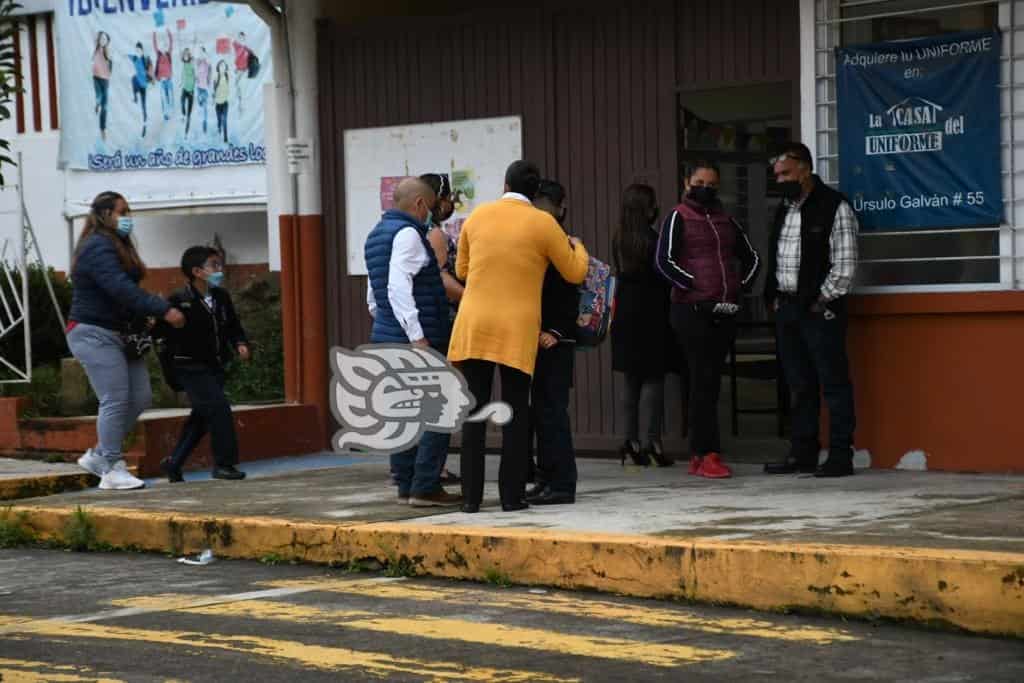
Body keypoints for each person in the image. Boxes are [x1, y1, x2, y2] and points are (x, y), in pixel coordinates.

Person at [449, 160, 590, 513]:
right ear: (534, 190)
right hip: (515, 328)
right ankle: (511, 498)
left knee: (474, 412)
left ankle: (470, 499)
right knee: (514, 412)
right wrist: (580, 247)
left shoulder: (478, 217)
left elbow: (461, 270)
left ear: (504, 184)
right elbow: (573, 273)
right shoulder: (542, 223)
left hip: (474, 323)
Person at [67, 192, 185, 490]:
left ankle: (97, 456)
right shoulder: (96, 246)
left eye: (128, 211)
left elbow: (122, 293)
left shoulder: (116, 244)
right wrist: (162, 309)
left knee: (141, 397)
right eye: (122, 211)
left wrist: (140, 316)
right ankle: (112, 466)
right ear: (105, 214)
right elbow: (119, 288)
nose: (127, 217)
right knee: (115, 399)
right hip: (93, 332)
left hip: (121, 333)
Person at [656, 161, 761, 479]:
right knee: (702, 380)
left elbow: (752, 257)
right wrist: (696, 287)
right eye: (700, 182)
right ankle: (706, 453)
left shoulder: (726, 220)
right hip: (692, 311)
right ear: (687, 181)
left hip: (724, 311)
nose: (706, 188)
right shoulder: (677, 217)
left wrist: (741, 289)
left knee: (710, 382)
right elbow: (664, 261)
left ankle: (700, 452)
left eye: (712, 184)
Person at [763, 142, 859, 478]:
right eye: (777, 175)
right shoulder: (784, 208)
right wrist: (775, 297)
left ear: (805, 168)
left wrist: (821, 301)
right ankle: (802, 453)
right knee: (799, 385)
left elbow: (845, 266)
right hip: (787, 308)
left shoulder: (834, 206)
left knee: (833, 384)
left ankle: (840, 456)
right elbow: (776, 256)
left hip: (820, 311)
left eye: (786, 173)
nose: (781, 180)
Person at [365, 177, 462, 507]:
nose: (435, 211)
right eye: (433, 205)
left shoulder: (377, 234)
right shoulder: (408, 234)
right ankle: (425, 485)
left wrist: (389, 326)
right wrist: (416, 336)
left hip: (387, 335)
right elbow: (397, 286)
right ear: (421, 204)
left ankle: (407, 484)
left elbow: (374, 297)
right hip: (415, 339)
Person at [156, 247, 249, 483]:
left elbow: (232, 325)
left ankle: (174, 463)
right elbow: (161, 334)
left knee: (201, 418)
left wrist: (239, 343)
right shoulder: (179, 301)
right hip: (189, 367)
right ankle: (224, 464)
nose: (220, 270)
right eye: (214, 265)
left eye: (220, 265)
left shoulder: (221, 297)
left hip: (215, 365)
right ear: (197, 271)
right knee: (219, 409)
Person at [611, 184, 676, 468]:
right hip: (652, 311)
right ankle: (652, 443)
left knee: (630, 378)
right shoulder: (655, 239)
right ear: (647, 209)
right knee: (653, 377)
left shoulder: (619, 238)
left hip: (625, 310)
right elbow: (665, 276)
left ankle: (629, 442)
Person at [525, 179, 580, 506]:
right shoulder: (538, 237)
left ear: (561, 209)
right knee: (541, 411)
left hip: (555, 339)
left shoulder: (563, 242)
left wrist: (556, 332)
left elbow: (569, 291)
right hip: (537, 335)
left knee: (553, 411)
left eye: (547, 209)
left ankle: (562, 482)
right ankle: (546, 478)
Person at [421, 172, 462, 487]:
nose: (452, 205)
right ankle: (434, 469)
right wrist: (470, 297)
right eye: (449, 198)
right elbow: (440, 278)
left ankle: (424, 466)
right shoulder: (433, 234)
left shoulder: (405, 230)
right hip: (441, 322)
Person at [128, 42, 150, 138]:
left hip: (144, 84)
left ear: (142, 50)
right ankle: (135, 97)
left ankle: (145, 121)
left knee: (143, 104)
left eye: (139, 50)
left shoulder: (145, 59)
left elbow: (150, 69)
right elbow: (126, 55)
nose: (137, 51)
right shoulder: (135, 58)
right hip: (138, 82)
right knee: (133, 78)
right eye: (136, 50)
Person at [92, 31, 112, 141]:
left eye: (105, 39)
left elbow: (111, 66)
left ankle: (102, 129)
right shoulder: (96, 49)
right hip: (96, 77)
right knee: (99, 96)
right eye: (101, 39)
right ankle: (97, 103)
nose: (102, 41)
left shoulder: (108, 52)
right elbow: (94, 37)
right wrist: (100, 33)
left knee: (105, 107)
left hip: (105, 80)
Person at [153, 29, 173, 122]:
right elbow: (155, 45)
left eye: (165, 45)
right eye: (162, 46)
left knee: (170, 97)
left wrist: (168, 32)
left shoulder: (169, 54)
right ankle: (165, 114)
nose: (164, 47)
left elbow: (171, 42)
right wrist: (154, 33)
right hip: (162, 80)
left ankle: (170, 112)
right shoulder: (159, 55)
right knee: (163, 98)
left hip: (169, 80)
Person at [195, 45, 212, 135]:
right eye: (199, 52)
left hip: (205, 87)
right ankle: (202, 120)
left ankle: (204, 122)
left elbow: (209, 65)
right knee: (200, 102)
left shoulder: (207, 62)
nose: (200, 53)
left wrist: (205, 55)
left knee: (204, 106)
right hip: (198, 87)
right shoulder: (198, 61)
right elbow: (196, 71)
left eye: (202, 52)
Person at [180, 47, 196, 136]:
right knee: (182, 101)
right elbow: (182, 74)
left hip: (191, 90)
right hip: (185, 88)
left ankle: (187, 130)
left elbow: (195, 75)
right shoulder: (183, 63)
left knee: (189, 112)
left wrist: (193, 88)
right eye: (184, 55)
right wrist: (181, 82)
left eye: (187, 55)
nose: (186, 56)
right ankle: (183, 114)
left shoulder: (191, 63)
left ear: (189, 55)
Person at [214, 61, 230, 143]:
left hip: (225, 103)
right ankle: (219, 128)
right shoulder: (216, 77)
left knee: (224, 120)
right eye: (220, 66)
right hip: (217, 104)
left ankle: (225, 138)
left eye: (223, 66)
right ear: (218, 67)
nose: (222, 67)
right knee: (219, 120)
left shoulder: (227, 75)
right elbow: (214, 89)